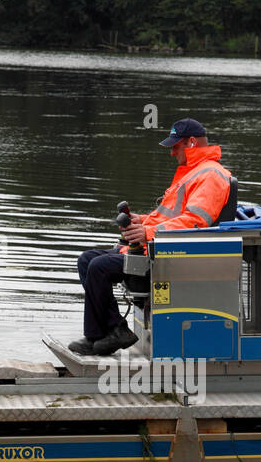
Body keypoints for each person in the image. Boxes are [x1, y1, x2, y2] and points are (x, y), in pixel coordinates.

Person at [70, 118, 233, 356]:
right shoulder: (193, 172)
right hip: (156, 248)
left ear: (191, 142)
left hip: (170, 257)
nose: (172, 153)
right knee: (87, 260)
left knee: (99, 267)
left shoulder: (211, 176)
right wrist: (142, 221)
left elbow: (196, 222)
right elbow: (170, 217)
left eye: (175, 147)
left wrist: (148, 233)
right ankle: (106, 332)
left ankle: (112, 332)